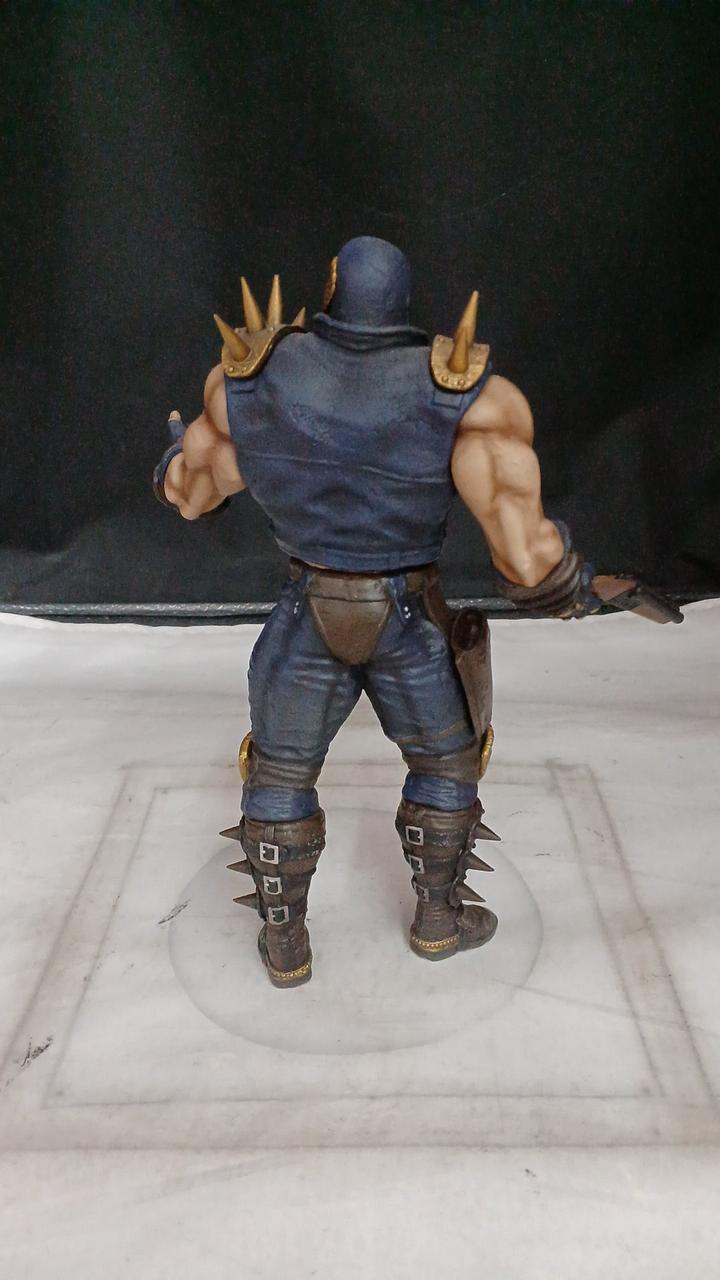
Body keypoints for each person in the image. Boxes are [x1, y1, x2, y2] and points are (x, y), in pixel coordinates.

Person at [153, 236, 593, 988]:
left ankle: (286, 948)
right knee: (446, 764)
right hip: (407, 617)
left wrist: (172, 458)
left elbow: (190, 493)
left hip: (307, 611)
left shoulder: (247, 383)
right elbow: (526, 559)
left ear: (331, 290)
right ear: (403, 301)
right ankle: (439, 922)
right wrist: (576, 583)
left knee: (279, 774)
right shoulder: (468, 395)